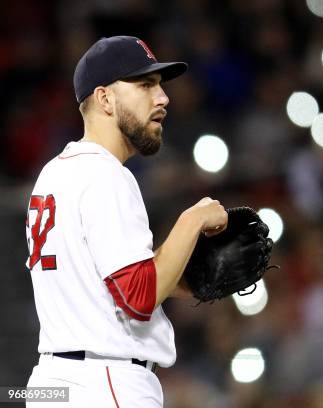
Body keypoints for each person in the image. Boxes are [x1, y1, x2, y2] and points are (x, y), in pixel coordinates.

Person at [25, 35, 228, 407]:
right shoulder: (107, 175)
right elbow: (138, 299)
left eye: (160, 86)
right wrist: (192, 219)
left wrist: (182, 280)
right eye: (145, 85)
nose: (163, 98)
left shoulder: (54, 173)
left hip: (51, 384)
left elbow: (104, 287)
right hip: (105, 382)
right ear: (105, 99)